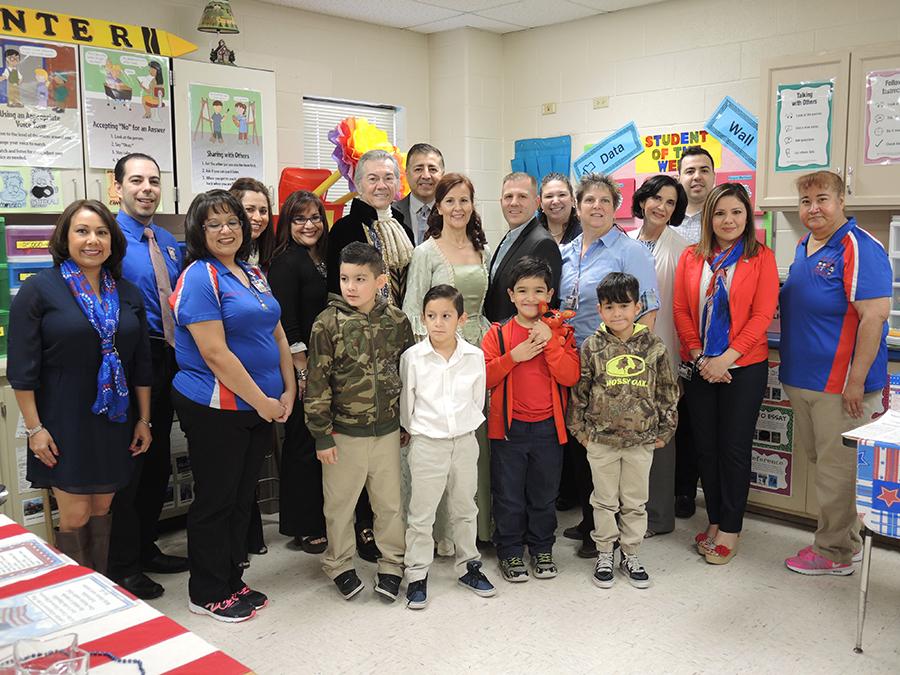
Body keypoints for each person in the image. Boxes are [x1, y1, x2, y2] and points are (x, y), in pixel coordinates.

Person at [170, 190, 295, 622]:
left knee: (242, 498)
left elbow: (278, 335)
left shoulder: (251, 273)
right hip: (216, 407)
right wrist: (263, 401)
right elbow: (216, 355)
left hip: (258, 408)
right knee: (216, 499)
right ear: (199, 232)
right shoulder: (200, 277)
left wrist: (288, 392)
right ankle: (206, 590)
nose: (227, 230)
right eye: (215, 224)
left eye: (233, 222)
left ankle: (230, 578)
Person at [8, 200, 152, 574]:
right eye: (82, 231)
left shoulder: (126, 292)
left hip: (114, 418)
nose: (93, 240)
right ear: (65, 238)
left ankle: (99, 588)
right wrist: (35, 429)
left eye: (101, 232)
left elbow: (141, 364)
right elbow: (23, 370)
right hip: (62, 421)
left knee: (103, 508)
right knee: (74, 513)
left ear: (112, 240)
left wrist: (145, 420)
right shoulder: (40, 291)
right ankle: (76, 599)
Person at [780, 171, 891, 575]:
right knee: (822, 462)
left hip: (840, 386)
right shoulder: (803, 246)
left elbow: (874, 318)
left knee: (836, 472)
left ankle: (833, 553)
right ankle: (845, 540)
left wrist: (856, 382)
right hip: (803, 379)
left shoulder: (860, 247)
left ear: (842, 201)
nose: (814, 208)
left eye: (823, 199)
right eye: (806, 201)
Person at [673, 183, 778, 565]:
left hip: (744, 367)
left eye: (736, 212)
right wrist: (702, 358)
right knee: (706, 448)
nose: (728, 220)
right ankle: (715, 518)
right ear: (709, 218)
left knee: (733, 450)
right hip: (701, 365)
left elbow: (762, 316)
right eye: (720, 213)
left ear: (747, 216)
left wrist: (726, 358)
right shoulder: (691, 257)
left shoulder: (760, 257)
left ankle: (731, 526)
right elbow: (682, 310)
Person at [306, 242, 415, 601]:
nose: (350, 286)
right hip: (343, 434)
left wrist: (405, 423)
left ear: (380, 280)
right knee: (339, 505)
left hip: (386, 432)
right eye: (344, 278)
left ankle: (392, 563)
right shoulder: (327, 324)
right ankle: (339, 563)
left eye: (360, 279)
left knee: (389, 505)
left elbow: (407, 375)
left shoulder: (397, 322)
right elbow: (318, 382)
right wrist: (322, 435)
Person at [559, 172, 659, 558]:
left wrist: (633, 364)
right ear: (577, 206)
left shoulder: (630, 251)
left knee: (607, 447)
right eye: (589, 200)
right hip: (574, 360)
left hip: (615, 363)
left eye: (604, 200)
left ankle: (608, 533)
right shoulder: (568, 251)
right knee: (584, 444)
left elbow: (649, 309)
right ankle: (590, 521)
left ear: (615, 207)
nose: (596, 206)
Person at [567, 272, 679, 589]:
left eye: (624, 306)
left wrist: (665, 430)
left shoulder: (653, 346)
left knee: (634, 502)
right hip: (600, 441)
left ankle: (630, 553)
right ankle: (605, 553)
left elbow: (668, 392)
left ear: (638, 306)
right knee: (603, 501)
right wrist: (581, 432)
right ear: (600, 310)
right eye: (610, 307)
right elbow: (580, 393)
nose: (618, 313)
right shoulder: (591, 346)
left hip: (640, 442)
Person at [108, 153, 186, 601]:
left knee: (157, 461)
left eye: (154, 181)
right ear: (117, 187)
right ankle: (123, 564)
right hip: (129, 361)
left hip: (170, 358)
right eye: (136, 180)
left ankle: (145, 545)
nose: (146, 188)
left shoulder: (168, 242)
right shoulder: (110, 239)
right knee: (131, 464)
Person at [402, 173, 492, 542]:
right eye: (450, 201)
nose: (458, 208)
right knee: (440, 444)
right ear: (437, 207)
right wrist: (433, 358)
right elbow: (412, 309)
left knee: (474, 442)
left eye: (464, 200)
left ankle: (477, 531)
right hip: (441, 354)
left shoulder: (482, 249)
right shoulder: (426, 252)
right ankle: (440, 535)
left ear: (473, 205)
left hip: (478, 351)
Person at [482, 257, 580, 582]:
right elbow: (482, 377)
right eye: (522, 290)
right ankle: (509, 551)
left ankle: (541, 547)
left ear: (550, 294)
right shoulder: (496, 334)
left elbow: (569, 376)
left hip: (549, 430)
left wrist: (550, 343)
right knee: (508, 495)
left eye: (538, 290)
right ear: (510, 294)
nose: (529, 297)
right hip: (508, 431)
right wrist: (514, 357)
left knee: (544, 494)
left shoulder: (563, 333)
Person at [401, 284, 496, 609]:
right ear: (423, 319)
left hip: (464, 443)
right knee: (422, 514)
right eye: (431, 316)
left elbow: (476, 400)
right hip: (428, 443)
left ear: (461, 318)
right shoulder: (413, 358)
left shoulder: (474, 356)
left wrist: (460, 429)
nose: (438, 323)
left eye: (446, 316)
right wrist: (422, 433)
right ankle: (416, 574)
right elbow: (407, 405)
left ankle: (468, 566)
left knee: (465, 508)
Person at [267, 190, 329, 555]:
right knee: (303, 445)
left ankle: (316, 516)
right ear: (287, 224)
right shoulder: (285, 262)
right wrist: (302, 372)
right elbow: (284, 321)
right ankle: (303, 525)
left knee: (316, 442)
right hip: (302, 368)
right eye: (300, 219)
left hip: (324, 365)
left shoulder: (319, 257)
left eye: (315, 217)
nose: (309, 225)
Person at [627, 174, 688, 536]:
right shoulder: (629, 241)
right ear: (643, 200)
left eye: (670, 203)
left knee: (660, 435)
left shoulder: (679, 248)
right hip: (627, 353)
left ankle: (659, 516)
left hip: (662, 353)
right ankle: (633, 511)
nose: (662, 207)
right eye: (656, 199)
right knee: (632, 432)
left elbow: (682, 306)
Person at [673, 146, 716, 518]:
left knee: (698, 423)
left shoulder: (721, 220)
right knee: (675, 414)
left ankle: (688, 490)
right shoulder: (668, 218)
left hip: (711, 341)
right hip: (675, 332)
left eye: (704, 170)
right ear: (680, 177)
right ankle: (675, 489)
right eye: (690, 171)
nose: (696, 177)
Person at [326, 150, 415, 307]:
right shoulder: (343, 230)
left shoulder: (404, 230)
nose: (381, 186)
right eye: (373, 179)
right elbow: (336, 291)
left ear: (398, 184)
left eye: (388, 178)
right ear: (359, 185)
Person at [484, 173, 562, 323]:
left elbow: (543, 307)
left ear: (537, 202)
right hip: (499, 336)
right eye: (508, 197)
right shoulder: (510, 238)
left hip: (521, 340)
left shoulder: (542, 243)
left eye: (522, 196)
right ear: (501, 202)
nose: (514, 203)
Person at [393, 143, 445, 245]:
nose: (426, 176)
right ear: (406, 173)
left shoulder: (452, 214)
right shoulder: (391, 213)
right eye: (418, 169)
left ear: (442, 174)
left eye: (432, 169)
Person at [230, 177, 275, 270]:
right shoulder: (222, 256)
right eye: (249, 210)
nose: (258, 218)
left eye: (263, 211)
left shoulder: (268, 250)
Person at [538, 172, 581, 246]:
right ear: (541, 204)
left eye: (562, 195)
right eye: (549, 196)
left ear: (572, 200)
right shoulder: (530, 235)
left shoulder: (585, 234)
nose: (555, 201)